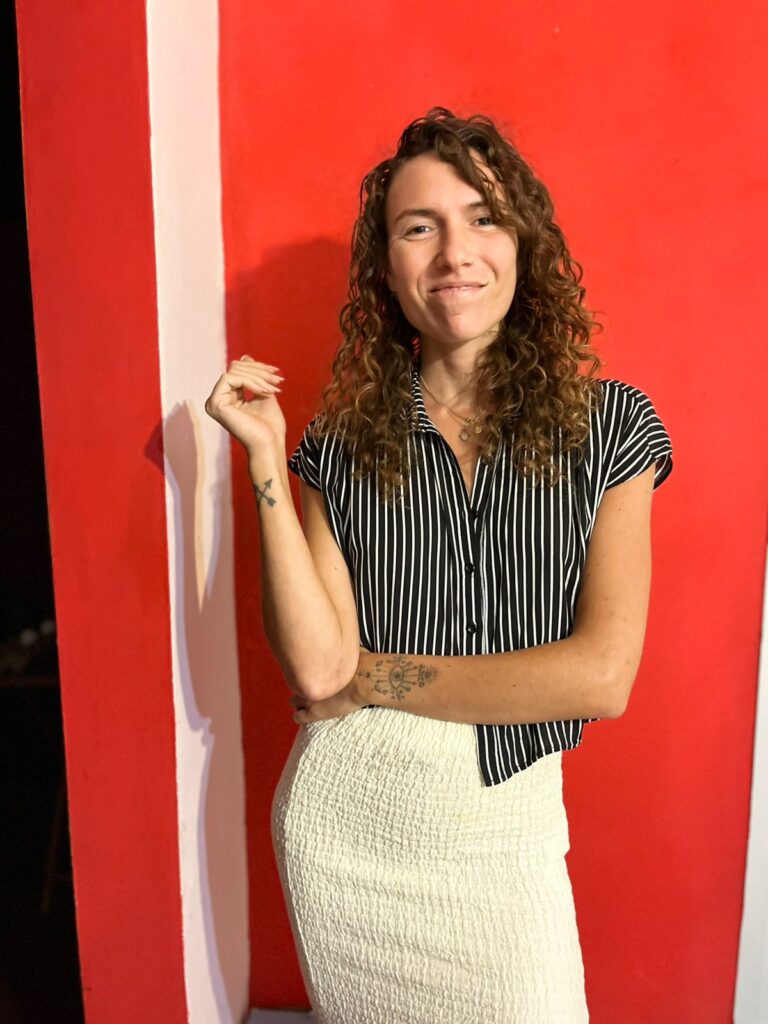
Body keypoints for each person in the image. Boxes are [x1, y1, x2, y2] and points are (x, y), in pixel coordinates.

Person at [205, 107, 673, 1023]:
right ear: (387, 269)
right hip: (346, 829)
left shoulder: (612, 426)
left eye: (483, 218)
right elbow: (317, 670)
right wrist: (264, 458)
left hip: (503, 827)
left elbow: (602, 677)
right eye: (419, 228)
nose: (455, 252)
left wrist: (374, 676)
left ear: (522, 243)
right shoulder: (336, 447)